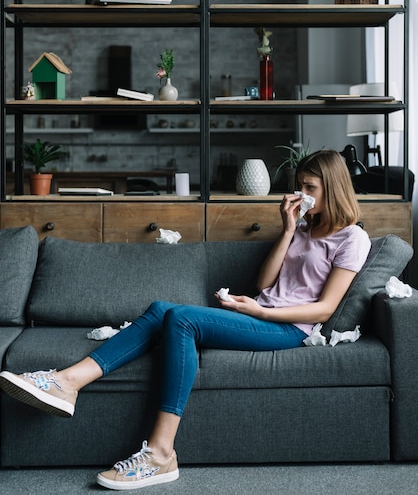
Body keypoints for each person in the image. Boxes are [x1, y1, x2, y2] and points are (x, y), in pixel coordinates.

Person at [0, 149, 371, 491]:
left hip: (289, 328)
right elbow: (265, 283)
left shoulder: (352, 238)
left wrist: (259, 310)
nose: (301, 194)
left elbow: (324, 309)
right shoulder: (304, 228)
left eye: (310, 187)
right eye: (299, 186)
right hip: (264, 312)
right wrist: (289, 229)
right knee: (162, 308)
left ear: (333, 189)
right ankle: (67, 381)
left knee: (180, 319)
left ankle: (162, 453)